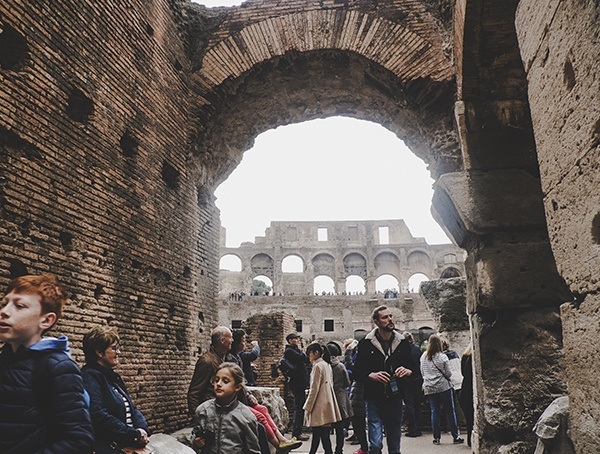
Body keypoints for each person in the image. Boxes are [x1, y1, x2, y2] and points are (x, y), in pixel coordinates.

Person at [0, 274, 94, 453]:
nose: (4, 311)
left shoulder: (57, 367)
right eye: (4, 303)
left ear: (46, 320)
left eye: (19, 306)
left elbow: (79, 441)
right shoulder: (4, 360)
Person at [353, 306, 415, 454]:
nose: (390, 320)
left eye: (390, 316)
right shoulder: (366, 344)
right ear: (376, 322)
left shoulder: (402, 342)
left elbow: (415, 369)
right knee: (375, 444)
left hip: (395, 398)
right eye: (385, 317)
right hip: (373, 398)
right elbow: (356, 372)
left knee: (394, 445)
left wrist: (408, 371)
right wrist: (371, 375)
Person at [82, 325, 151, 454]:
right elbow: (98, 414)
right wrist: (133, 434)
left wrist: (142, 430)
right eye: (114, 348)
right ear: (99, 352)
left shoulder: (112, 377)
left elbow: (132, 408)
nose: (118, 352)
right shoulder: (89, 376)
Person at [192, 362, 261, 454]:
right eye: (216, 380)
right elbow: (195, 437)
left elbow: (252, 450)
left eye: (225, 381)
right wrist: (196, 442)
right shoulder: (203, 410)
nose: (219, 384)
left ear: (237, 387)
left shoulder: (246, 417)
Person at [420, 334, 464, 446]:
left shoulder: (424, 356)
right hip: (443, 386)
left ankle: (436, 438)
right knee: (450, 410)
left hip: (429, 387)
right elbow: (449, 373)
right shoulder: (442, 357)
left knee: (434, 411)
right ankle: (455, 436)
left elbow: (422, 372)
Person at [304, 343, 341, 454]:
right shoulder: (326, 365)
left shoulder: (318, 366)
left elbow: (314, 389)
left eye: (310, 353)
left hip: (318, 404)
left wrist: (308, 406)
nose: (309, 356)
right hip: (327, 402)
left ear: (316, 353)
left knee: (321, 433)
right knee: (321, 433)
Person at [187, 326, 233, 415]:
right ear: (222, 340)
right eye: (230, 338)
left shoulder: (222, 358)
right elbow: (194, 393)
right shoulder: (206, 362)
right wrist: (198, 418)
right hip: (213, 412)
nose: (232, 340)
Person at [326, 342, 354, 454]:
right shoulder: (341, 366)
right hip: (340, 397)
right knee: (339, 427)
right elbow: (347, 382)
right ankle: (339, 450)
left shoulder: (324, 365)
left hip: (327, 396)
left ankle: (328, 450)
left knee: (326, 428)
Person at [284, 332, 310, 441]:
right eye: (294, 339)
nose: (296, 340)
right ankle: (296, 433)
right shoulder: (289, 351)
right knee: (299, 407)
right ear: (290, 340)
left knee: (300, 407)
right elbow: (301, 358)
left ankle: (298, 431)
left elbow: (306, 360)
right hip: (296, 382)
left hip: (300, 382)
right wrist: (303, 352)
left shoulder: (295, 350)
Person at [402, 331, 424, 437]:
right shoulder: (416, 349)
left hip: (406, 380)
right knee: (417, 405)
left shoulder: (402, 351)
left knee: (409, 405)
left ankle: (412, 428)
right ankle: (418, 427)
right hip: (417, 379)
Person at [459, 344, 474, 447]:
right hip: (471, 388)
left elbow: (463, 373)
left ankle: (469, 438)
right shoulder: (473, 357)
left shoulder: (465, 355)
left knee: (469, 417)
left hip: (465, 389)